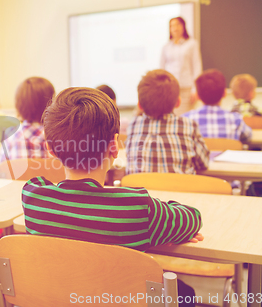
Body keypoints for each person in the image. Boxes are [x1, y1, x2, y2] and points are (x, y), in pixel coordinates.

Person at [22, 87, 202, 307]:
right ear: (114, 146)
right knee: (185, 293)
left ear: (50, 148)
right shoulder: (137, 208)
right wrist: (165, 216)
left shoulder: (33, 197)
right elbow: (193, 218)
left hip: (60, 298)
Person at [125, 70, 209, 175]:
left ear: (139, 105)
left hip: (139, 190)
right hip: (180, 190)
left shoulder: (133, 125)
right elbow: (203, 163)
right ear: (178, 102)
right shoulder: (188, 126)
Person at [183, 69, 252, 143]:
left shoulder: (185, 120)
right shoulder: (236, 119)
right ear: (225, 93)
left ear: (197, 96)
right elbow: (248, 136)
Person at [0, 77, 55, 162]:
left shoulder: (10, 137)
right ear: (51, 102)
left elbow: (3, 167)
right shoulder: (58, 137)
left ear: (19, 105)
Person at [160, 17, 202, 115]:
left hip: (187, 89)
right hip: (171, 90)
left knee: (187, 117)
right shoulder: (166, 47)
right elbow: (161, 69)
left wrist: (195, 89)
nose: (175, 28)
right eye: (172, 25)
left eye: (178, 24)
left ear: (183, 26)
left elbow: (197, 66)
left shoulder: (192, 44)